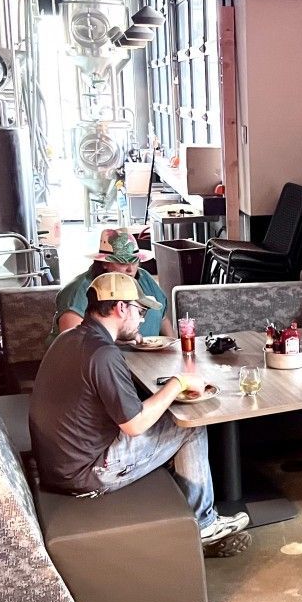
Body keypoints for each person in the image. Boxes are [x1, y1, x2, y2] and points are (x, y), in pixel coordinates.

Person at [30, 271, 251, 555]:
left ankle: (186, 506)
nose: (144, 319)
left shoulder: (71, 338)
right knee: (189, 424)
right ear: (121, 307)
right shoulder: (102, 355)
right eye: (140, 310)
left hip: (58, 465)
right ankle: (205, 525)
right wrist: (178, 382)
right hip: (87, 474)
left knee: (164, 412)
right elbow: (135, 425)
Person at [49, 227, 172, 344]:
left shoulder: (144, 277)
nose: (130, 269)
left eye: (134, 261)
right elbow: (75, 344)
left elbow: (163, 318)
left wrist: (175, 347)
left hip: (152, 359)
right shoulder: (77, 292)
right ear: (104, 264)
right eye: (122, 262)